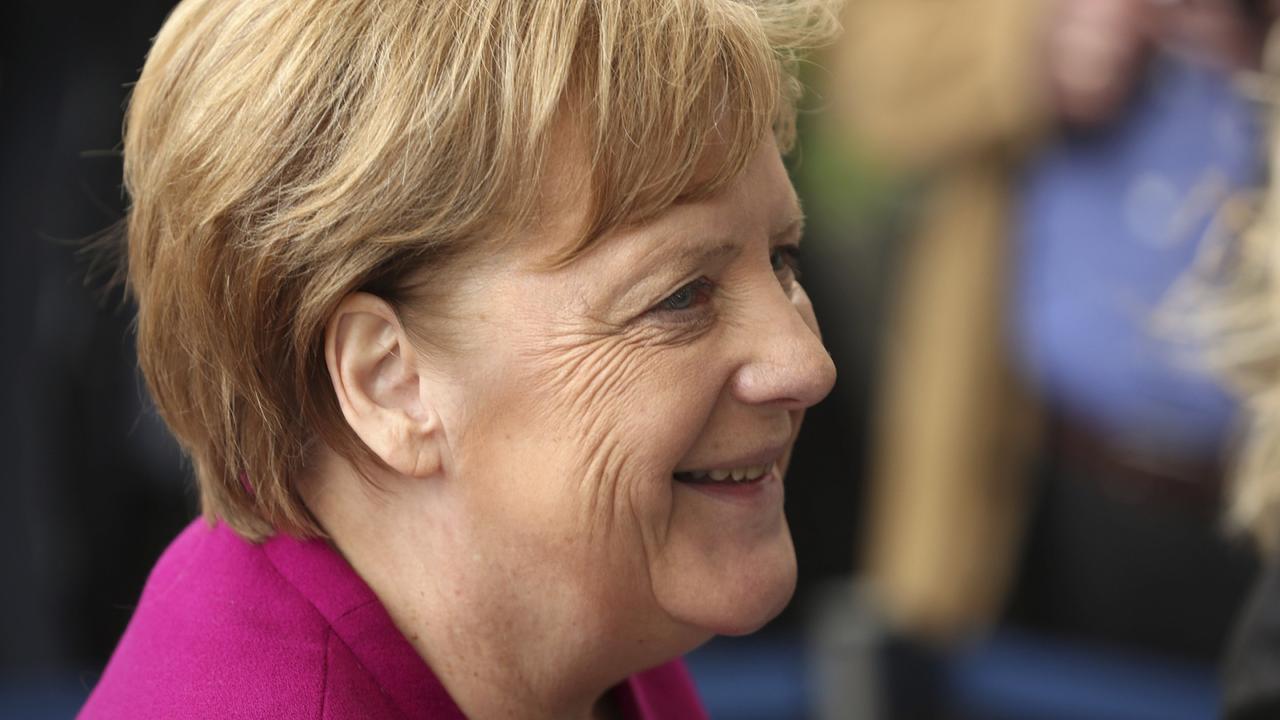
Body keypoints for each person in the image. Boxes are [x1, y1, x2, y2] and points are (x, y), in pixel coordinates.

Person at [77, 0, 839, 717]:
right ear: (389, 383)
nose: (807, 363)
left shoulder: (589, 615)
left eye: (782, 259)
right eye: (680, 296)